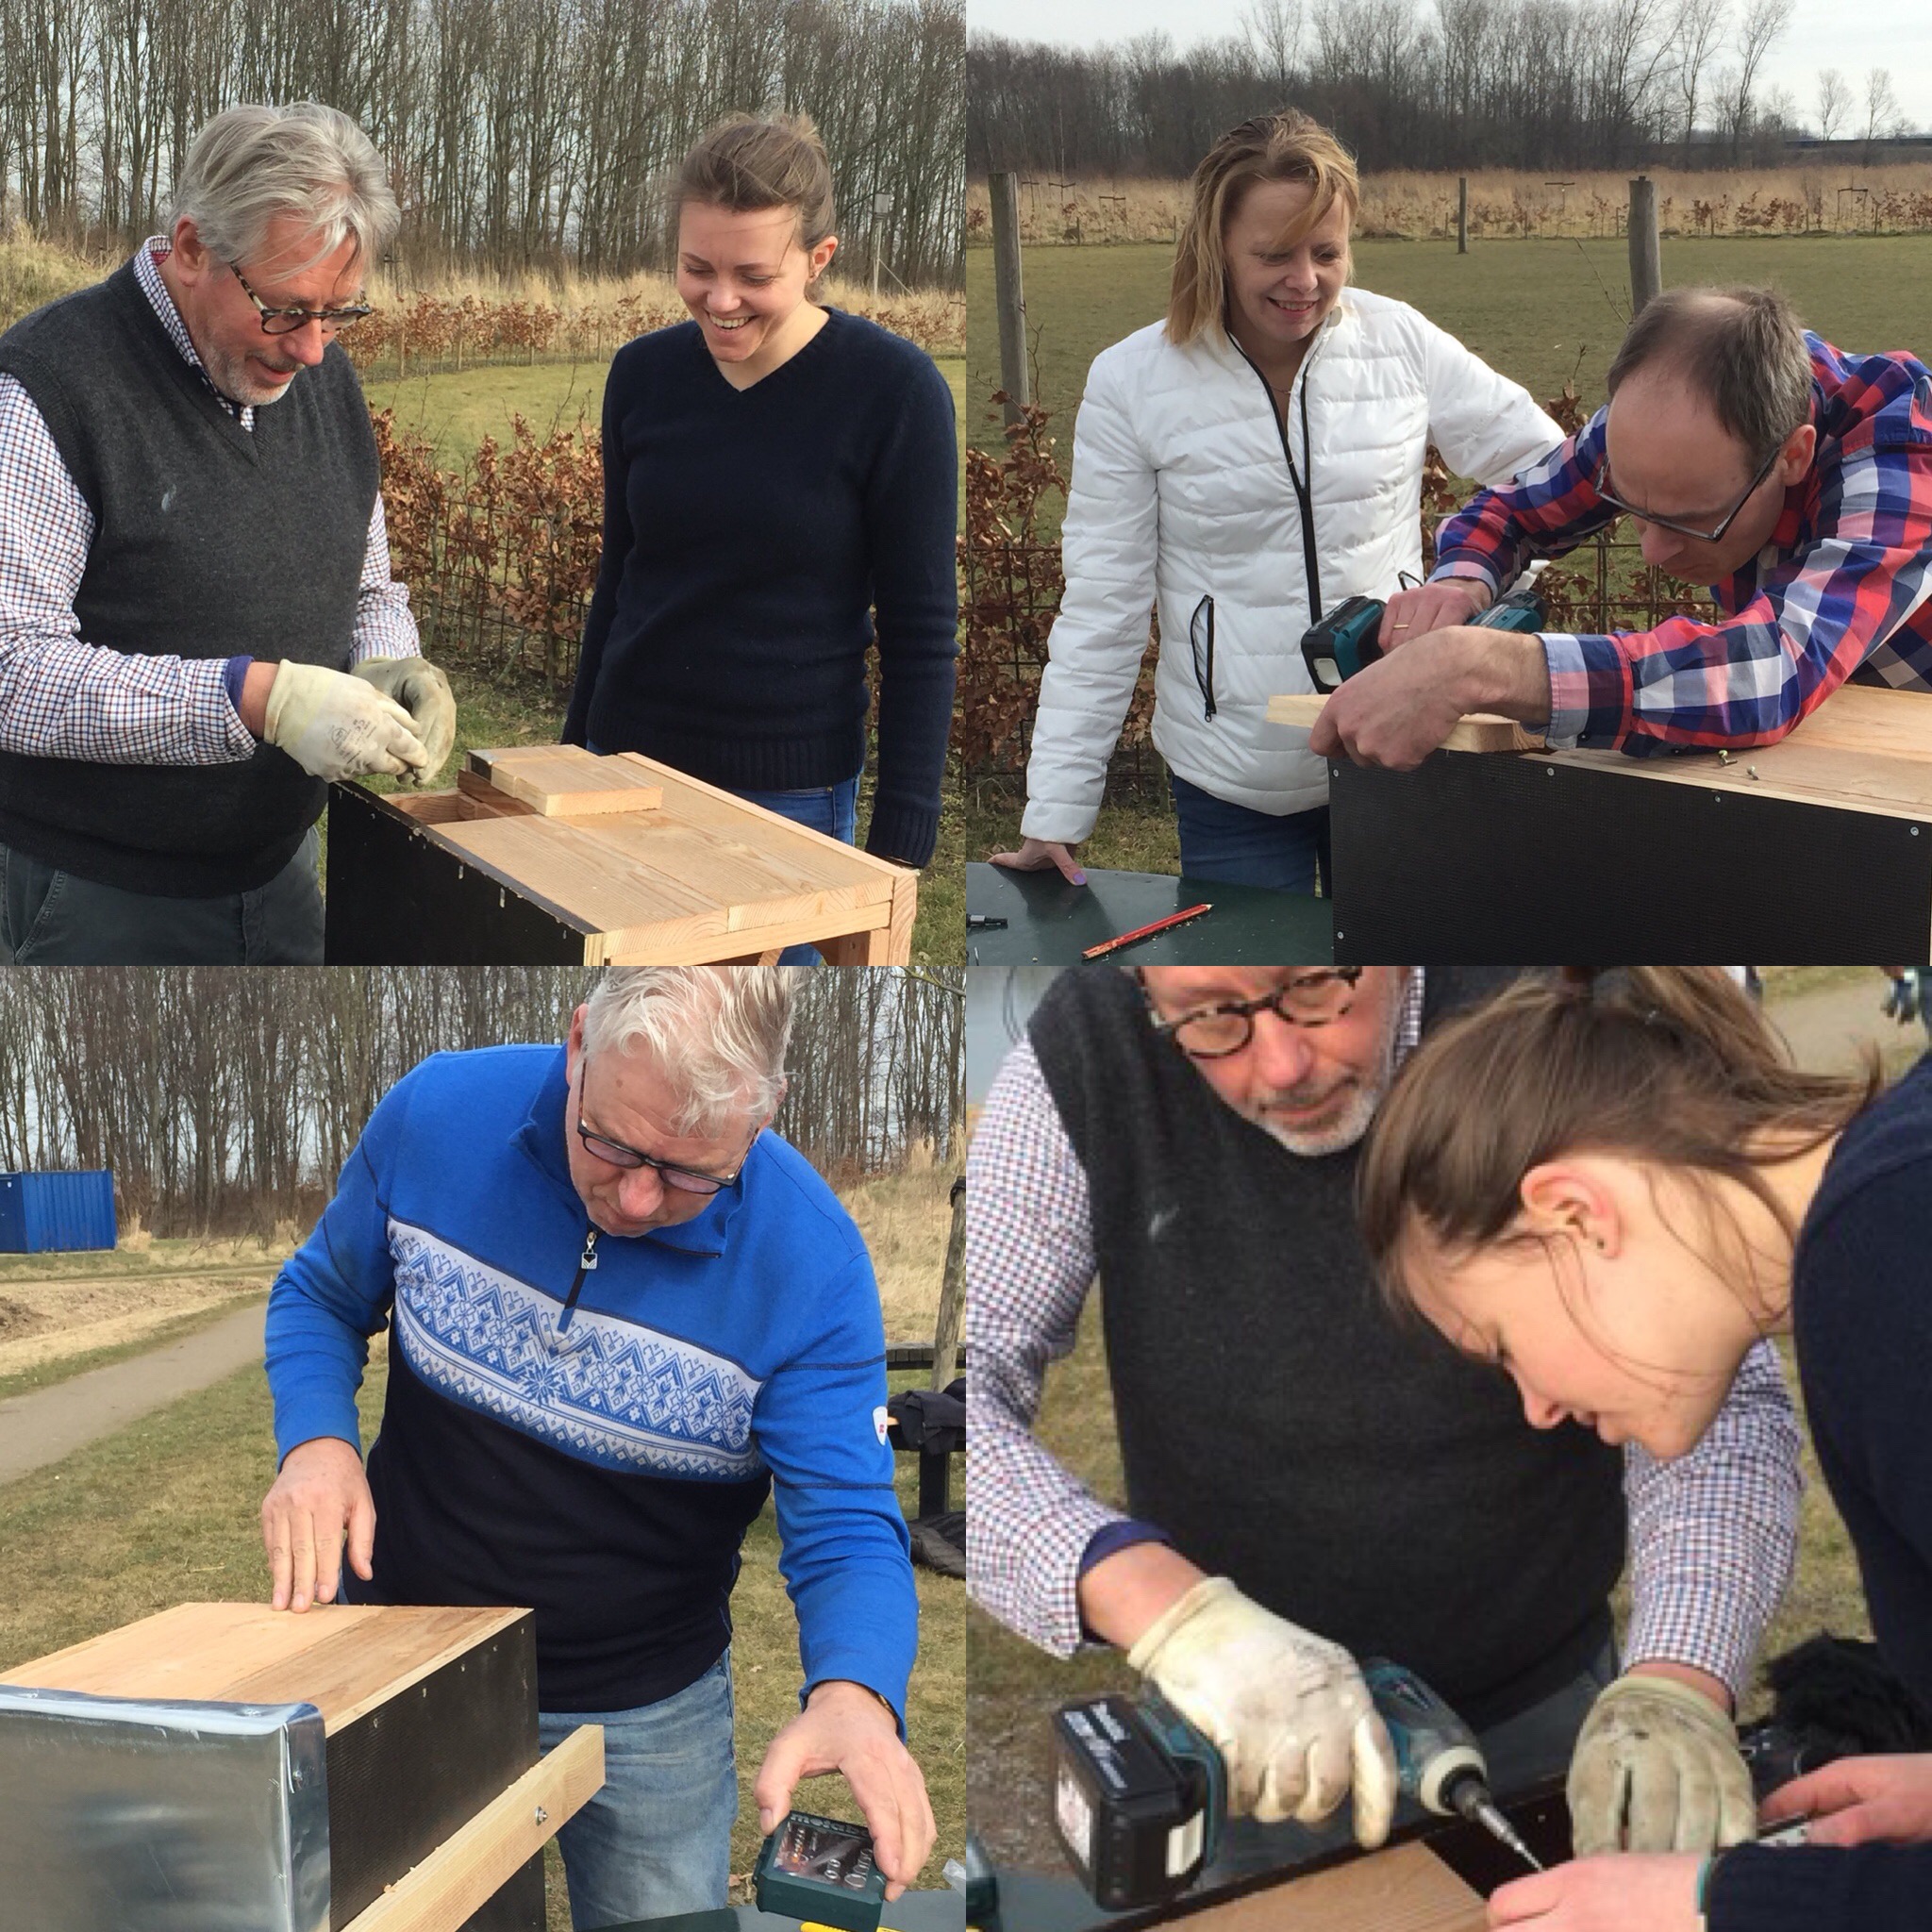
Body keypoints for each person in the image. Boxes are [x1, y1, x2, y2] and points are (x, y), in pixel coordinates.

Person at [968, 963, 1800, 1881]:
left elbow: (1705, 1384)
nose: (1280, 1063)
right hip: (1243, 1729)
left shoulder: (1541, 1003)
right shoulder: (1083, 1048)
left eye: (1316, 987)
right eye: (1210, 1021)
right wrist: (1170, 1614)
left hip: (1545, 1700)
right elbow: (955, 1411)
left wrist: (1676, 1677)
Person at [259, 967, 936, 1930]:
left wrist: (855, 1690)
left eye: (693, 1172)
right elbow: (321, 1292)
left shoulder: (812, 1265)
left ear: (763, 1112)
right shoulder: (438, 1114)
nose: (634, 1195)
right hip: (405, 1661)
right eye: (610, 1141)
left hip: (647, 1706)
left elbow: (846, 1527)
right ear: (579, 1040)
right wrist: (317, 1442)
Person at [1357, 965, 1932, 1931]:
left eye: (1499, 1345)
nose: (1534, 1406)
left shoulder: (1882, 1264)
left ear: (1571, 1213)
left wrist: (1718, 1901)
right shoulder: (1893, 1193)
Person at [988, 111, 1562, 896]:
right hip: (1233, 781)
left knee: (1397, 992)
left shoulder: (1402, 343)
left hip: (1398, 750)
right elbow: (1103, 607)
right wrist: (1055, 806)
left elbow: (1548, 470)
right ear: (1216, 248)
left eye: (1327, 252)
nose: (1305, 281)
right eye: (1273, 254)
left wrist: (1475, 582)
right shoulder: (1131, 383)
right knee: (1256, 996)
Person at [0, 102, 458, 964]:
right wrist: (256, 700)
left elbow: (366, 585)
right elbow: (12, 669)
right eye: (287, 310)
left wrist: (391, 660)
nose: (313, 349)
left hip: (281, 876)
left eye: (341, 313)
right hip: (94, 899)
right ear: (193, 246)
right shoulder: (49, 391)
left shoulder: (325, 382)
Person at [564, 113, 957, 898]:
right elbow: (621, 575)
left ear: (818, 259)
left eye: (753, 276)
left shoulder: (895, 393)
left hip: (789, 795)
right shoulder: (642, 376)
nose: (721, 300)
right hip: (624, 767)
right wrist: (576, 752)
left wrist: (901, 840)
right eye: (696, 268)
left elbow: (922, 634)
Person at [1314, 286, 1932, 770]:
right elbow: (1507, 513)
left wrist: (1482, 665)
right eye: (1629, 503)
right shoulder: (1670, 412)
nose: (1654, 551)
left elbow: (1777, 667)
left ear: (1793, 457)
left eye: (1690, 521)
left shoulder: (1898, 451)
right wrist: (1460, 586)